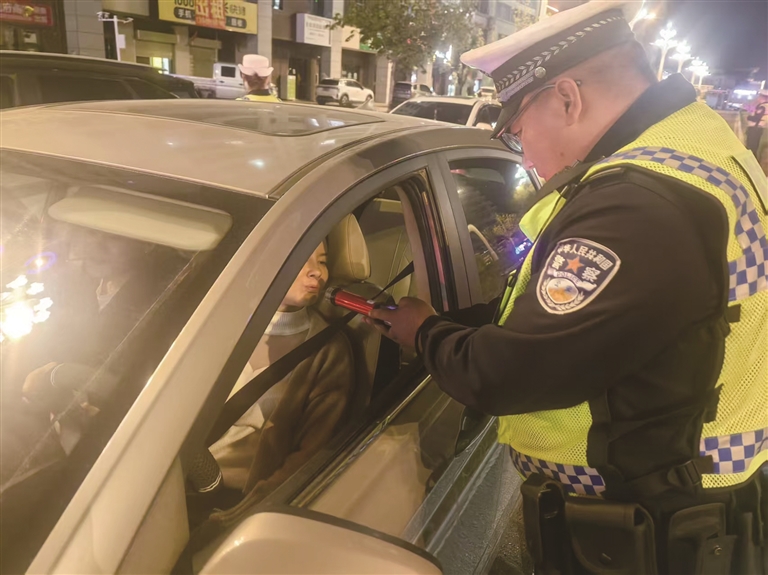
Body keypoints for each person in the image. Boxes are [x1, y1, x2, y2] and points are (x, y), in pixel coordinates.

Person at [366, 1, 768, 573]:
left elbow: (509, 375)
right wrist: (467, 322)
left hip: (649, 529)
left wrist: (424, 331)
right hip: (676, 505)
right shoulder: (697, 151)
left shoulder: (639, 202)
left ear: (567, 98)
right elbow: (617, 321)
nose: (525, 154)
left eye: (518, 130)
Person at [209, 241, 354, 504]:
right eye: (303, 257)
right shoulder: (219, 325)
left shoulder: (328, 349)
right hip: (174, 479)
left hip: (236, 503)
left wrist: (250, 510)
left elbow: (311, 454)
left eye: (323, 261)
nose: (317, 271)